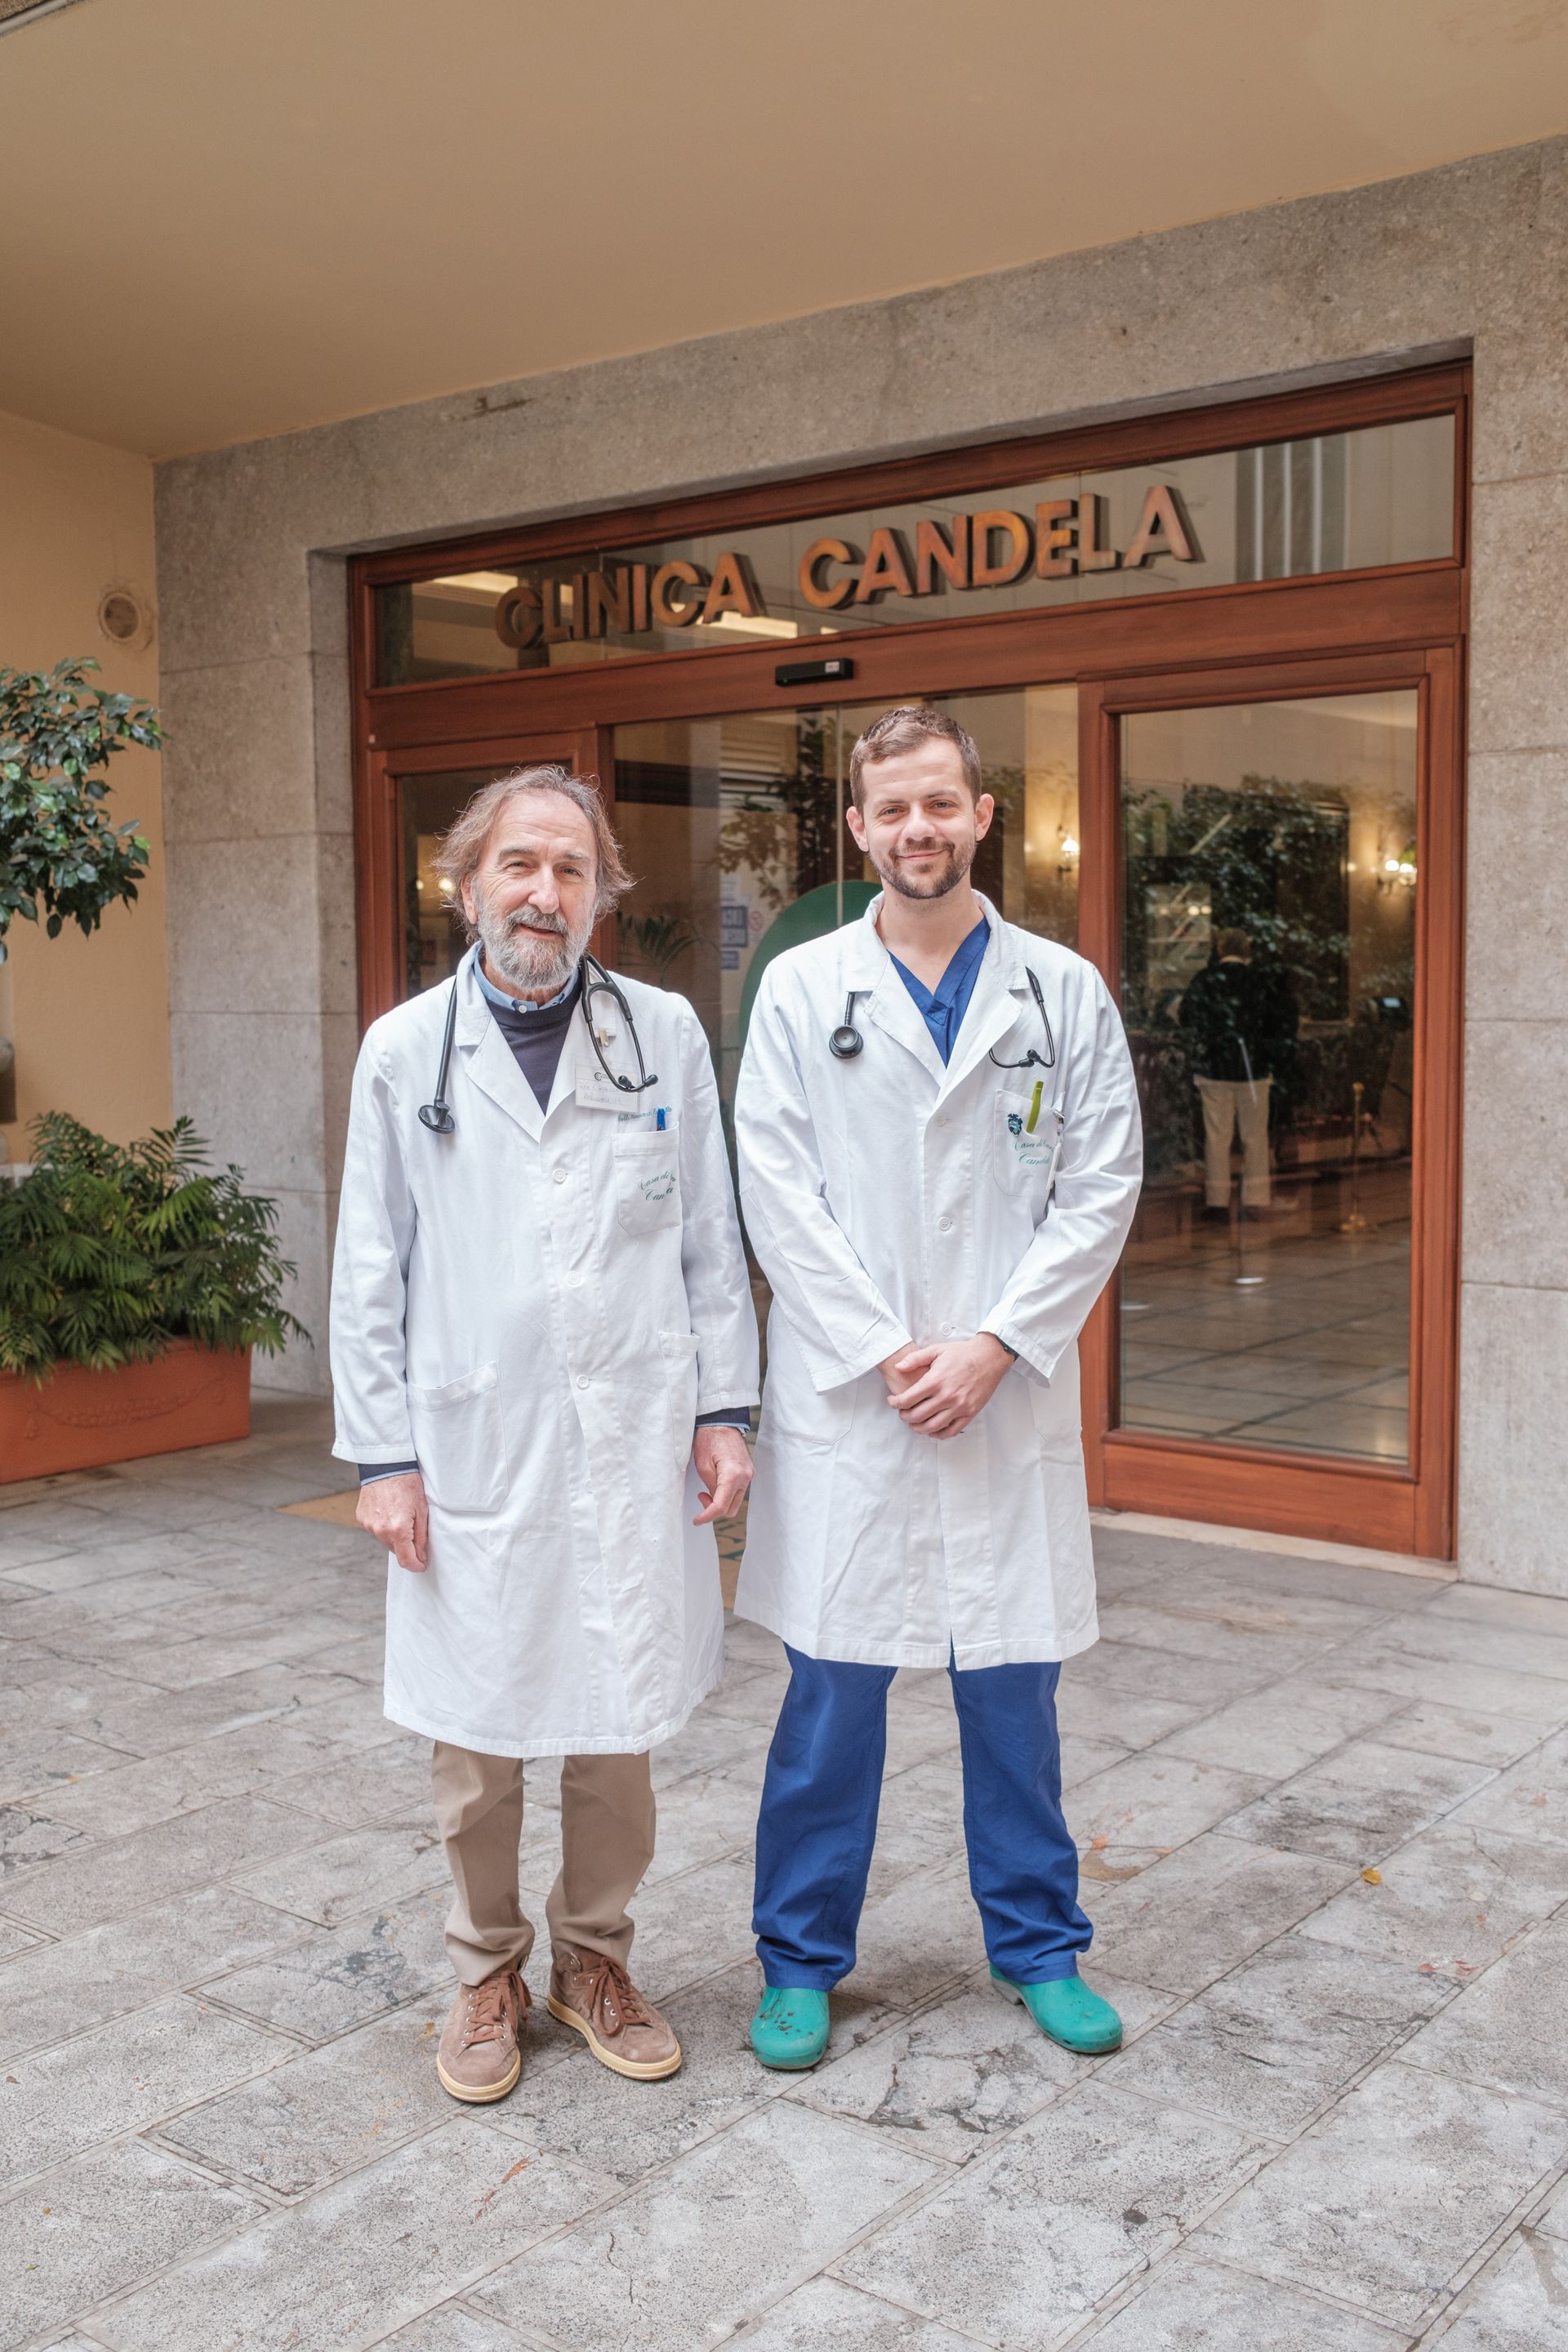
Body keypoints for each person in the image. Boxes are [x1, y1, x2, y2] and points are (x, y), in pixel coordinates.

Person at [330, 765, 758, 2102]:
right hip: (472, 1441)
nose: (544, 892)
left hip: (632, 1435)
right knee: (477, 1732)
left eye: (572, 869)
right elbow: (369, 1268)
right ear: (467, 887)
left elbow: (708, 1239)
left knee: (616, 1718)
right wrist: (385, 1458)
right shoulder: (407, 1052)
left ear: (600, 897)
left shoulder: (661, 1035)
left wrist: (725, 1411)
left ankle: (595, 1960)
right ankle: (484, 1970)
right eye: (518, 864)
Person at [733, 705, 1142, 2072]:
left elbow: (1103, 1184)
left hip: (999, 1396)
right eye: (894, 808)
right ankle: (799, 1962)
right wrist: (885, 1349)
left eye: (941, 803)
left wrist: (996, 1345)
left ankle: (1041, 1948)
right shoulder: (804, 990)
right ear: (859, 828)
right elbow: (773, 1186)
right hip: (857, 1403)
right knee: (830, 1705)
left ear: (982, 814)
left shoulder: (1062, 991)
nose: (920, 828)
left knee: (1014, 1699)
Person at [1178, 927, 1298, 1222]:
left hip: (1215, 1070)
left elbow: (1187, 1017)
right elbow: (1283, 1022)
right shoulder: (1262, 982)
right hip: (1255, 1070)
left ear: (1219, 949)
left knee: (1217, 1138)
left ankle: (1218, 1202)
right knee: (1255, 1137)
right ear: (1247, 950)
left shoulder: (1206, 980)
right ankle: (1256, 1200)